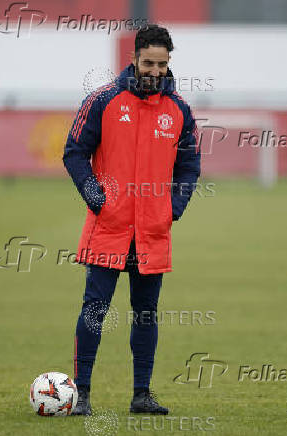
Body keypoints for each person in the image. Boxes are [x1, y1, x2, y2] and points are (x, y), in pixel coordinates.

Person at [62, 24, 201, 415]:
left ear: (168, 63)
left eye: (162, 64)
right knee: (94, 311)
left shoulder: (180, 110)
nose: (155, 71)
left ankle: (141, 395)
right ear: (134, 58)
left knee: (145, 314)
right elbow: (74, 152)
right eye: (148, 63)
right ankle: (81, 395)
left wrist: (174, 207)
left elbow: (190, 163)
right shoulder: (103, 100)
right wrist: (96, 198)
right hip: (110, 226)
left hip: (152, 231)